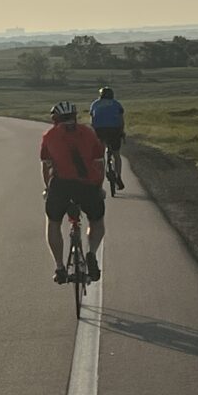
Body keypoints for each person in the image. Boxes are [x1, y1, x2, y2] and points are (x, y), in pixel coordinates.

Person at [41, 101, 105, 284]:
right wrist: (99, 187)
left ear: (55, 119)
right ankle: (91, 252)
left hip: (61, 186)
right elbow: (99, 163)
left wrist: (47, 187)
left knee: (53, 223)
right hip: (87, 186)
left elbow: (46, 167)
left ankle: (60, 267)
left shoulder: (49, 136)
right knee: (97, 221)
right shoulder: (88, 133)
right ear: (75, 117)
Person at [90, 86, 125, 192]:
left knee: (100, 155)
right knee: (116, 154)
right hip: (114, 130)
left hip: (100, 131)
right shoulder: (116, 104)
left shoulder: (95, 104)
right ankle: (118, 176)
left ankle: (102, 173)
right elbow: (121, 120)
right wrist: (122, 132)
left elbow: (92, 120)